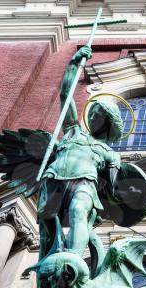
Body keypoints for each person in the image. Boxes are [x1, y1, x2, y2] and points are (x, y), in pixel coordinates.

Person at [38, 46, 125, 258]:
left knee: (78, 212)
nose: (92, 117)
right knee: (47, 230)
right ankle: (46, 266)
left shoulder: (110, 153)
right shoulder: (73, 132)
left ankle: (72, 260)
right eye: (92, 112)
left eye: (98, 115)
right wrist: (74, 64)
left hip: (85, 183)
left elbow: (113, 188)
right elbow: (66, 94)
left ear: (107, 122)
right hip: (53, 179)